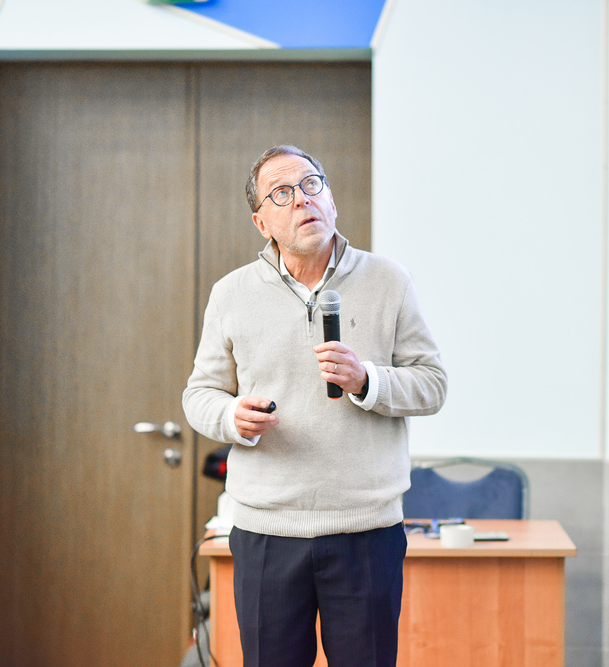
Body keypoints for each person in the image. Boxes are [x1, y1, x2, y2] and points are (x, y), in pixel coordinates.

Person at [182, 145, 447, 667]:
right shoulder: (232, 293)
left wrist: (367, 380)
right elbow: (200, 394)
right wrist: (232, 417)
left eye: (311, 184)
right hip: (266, 532)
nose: (302, 199)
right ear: (261, 223)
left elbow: (432, 384)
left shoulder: (389, 280)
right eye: (281, 193)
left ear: (331, 199)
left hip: (365, 529)